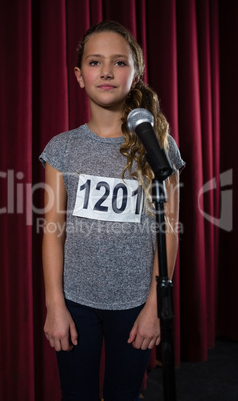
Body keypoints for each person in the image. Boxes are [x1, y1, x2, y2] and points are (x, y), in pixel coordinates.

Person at [39, 20, 185, 401]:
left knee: (124, 394)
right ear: (79, 75)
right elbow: (53, 230)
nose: (106, 71)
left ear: (135, 75)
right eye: (95, 62)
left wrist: (155, 305)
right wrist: (55, 304)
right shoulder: (63, 149)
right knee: (76, 394)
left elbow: (168, 229)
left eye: (119, 63)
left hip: (135, 302)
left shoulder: (160, 147)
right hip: (76, 301)